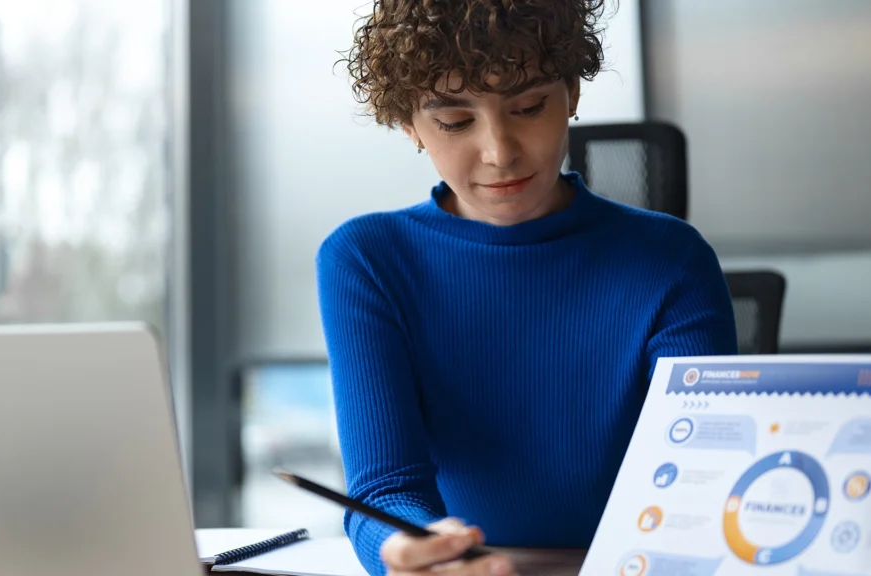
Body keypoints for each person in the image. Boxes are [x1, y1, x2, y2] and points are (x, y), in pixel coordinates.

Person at [315, 1, 738, 575]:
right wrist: (409, 552)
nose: (500, 152)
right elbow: (384, 487)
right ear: (409, 124)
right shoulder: (367, 260)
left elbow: (700, 482)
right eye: (455, 121)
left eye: (530, 107)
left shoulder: (672, 261)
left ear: (572, 93)